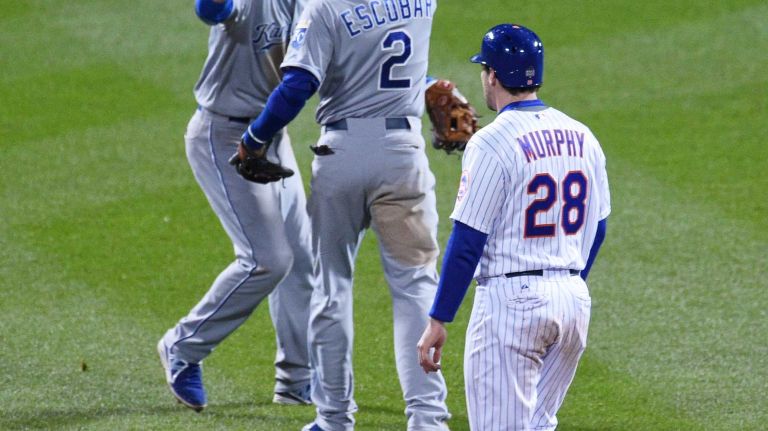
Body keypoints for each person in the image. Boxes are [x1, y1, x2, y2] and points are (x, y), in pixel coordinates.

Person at [231, 1, 452, 430]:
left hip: (342, 156)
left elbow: (297, 86)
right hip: (403, 157)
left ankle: (333, 419)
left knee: (331, 289)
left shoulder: (323, 6)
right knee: (415, 289)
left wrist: (255, 138)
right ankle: (427, 420)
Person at [417, 23, 611, 431]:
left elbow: (468, 240)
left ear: (492, 75)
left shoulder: (490, 141)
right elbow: (600, 226)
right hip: (574, 302)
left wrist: (439, 318)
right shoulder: (583, 136)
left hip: (513, 306)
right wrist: (568, 284)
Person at [156, 0, 317, 412]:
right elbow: (212, 9)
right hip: (225, 137)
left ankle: (296, 380)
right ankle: (183, 347)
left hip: (269, 136)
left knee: (301, 256)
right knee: (267, 259)